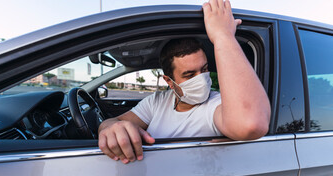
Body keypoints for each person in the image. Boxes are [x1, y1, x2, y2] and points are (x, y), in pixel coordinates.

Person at [98, 0, 271, 164]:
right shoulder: (158, 102)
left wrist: (223, 36)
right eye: (189, 75)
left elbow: (251, 124)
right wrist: (111, 128)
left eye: (204, 69)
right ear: (169, 82)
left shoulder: (215, 105)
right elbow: (111, 122)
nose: (201, 79)